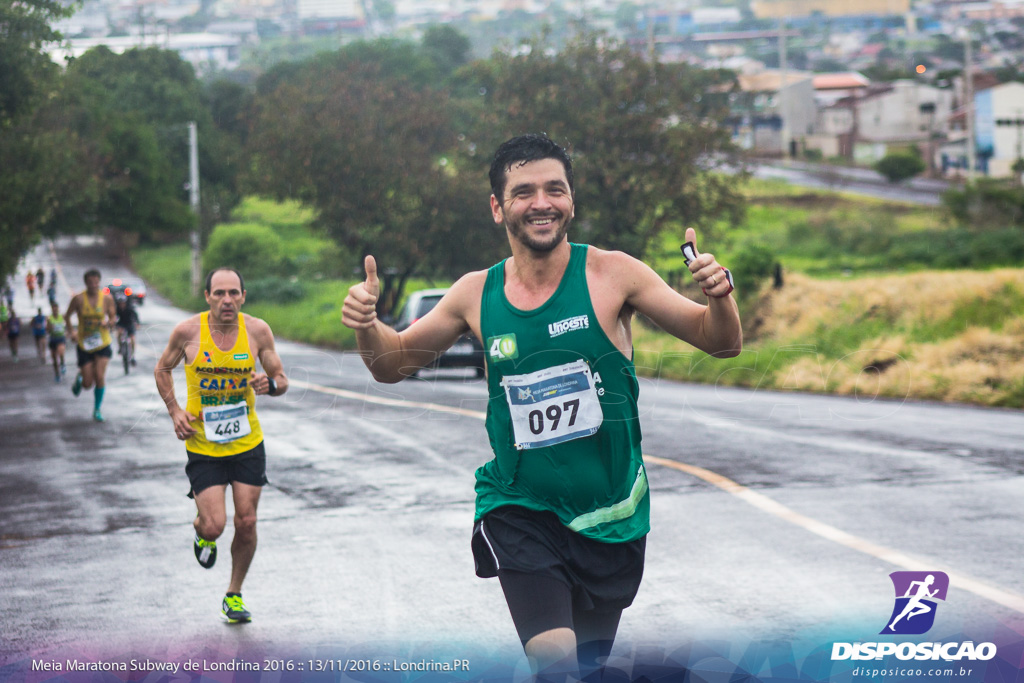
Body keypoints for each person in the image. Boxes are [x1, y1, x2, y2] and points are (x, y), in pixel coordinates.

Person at [342, 134, 742, 681]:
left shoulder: (614, 274)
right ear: (497, 207)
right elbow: (391, 364)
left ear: (571, 200)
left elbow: (719, 342)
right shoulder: (473, 294)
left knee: (589, 668)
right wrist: (368, 327)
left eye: (555, 189)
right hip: (520, 507)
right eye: (524, 191)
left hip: (612, 514)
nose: (541, 203)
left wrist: (720, 296)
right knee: (555, 664)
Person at [154, 267, 288, 624]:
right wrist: (175, 411)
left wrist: (269, 385)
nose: (226, 300)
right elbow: (162, 369)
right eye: (219, 293)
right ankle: (202, 535)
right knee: (215, 525)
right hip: (203, 445)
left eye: (233, 293)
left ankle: (234, 595)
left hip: (247, 443)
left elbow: (281, 379)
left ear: (243, 296)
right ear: (207, 296)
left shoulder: (258, 331)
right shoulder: (187, 332)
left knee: (246, 520)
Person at [65, 268, 116, 421]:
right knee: (88, 383)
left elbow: (113, 318)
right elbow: (67, 316)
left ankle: (97, 409)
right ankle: (81, 378)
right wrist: (72, 332)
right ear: (86, 283)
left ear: (99, 282)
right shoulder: (79, 299)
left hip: (103, 343)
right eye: (90, 282)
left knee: (100, 376)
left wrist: (109, 323)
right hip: (84, 345)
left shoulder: (107, 299)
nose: (94, 285)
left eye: (96, 282)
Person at [115, 296, 140, 366]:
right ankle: (120, 347)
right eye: (120, 303)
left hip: (129, 324)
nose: (121, 304)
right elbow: (114, 317)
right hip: (121, 323)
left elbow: (135, 316)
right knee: (118, 333)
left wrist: (137, 323)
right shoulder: (117, 309)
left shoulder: (130, 308)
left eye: (123, 303)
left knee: (132, 340)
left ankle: (132, 355)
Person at [46, 301, 67, 382]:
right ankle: (57, 374)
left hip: (61, 338)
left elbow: (67, 323)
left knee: (61, 352)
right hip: (53, 339)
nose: (55, 310)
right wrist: (50, 327)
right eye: (53, 309)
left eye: (56, 309)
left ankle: (62, 364)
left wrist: (69, 331)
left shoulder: (62, 316)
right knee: (54, 359)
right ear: (52, 309)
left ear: (58, 309)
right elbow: (47, 330)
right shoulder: (49, 318)